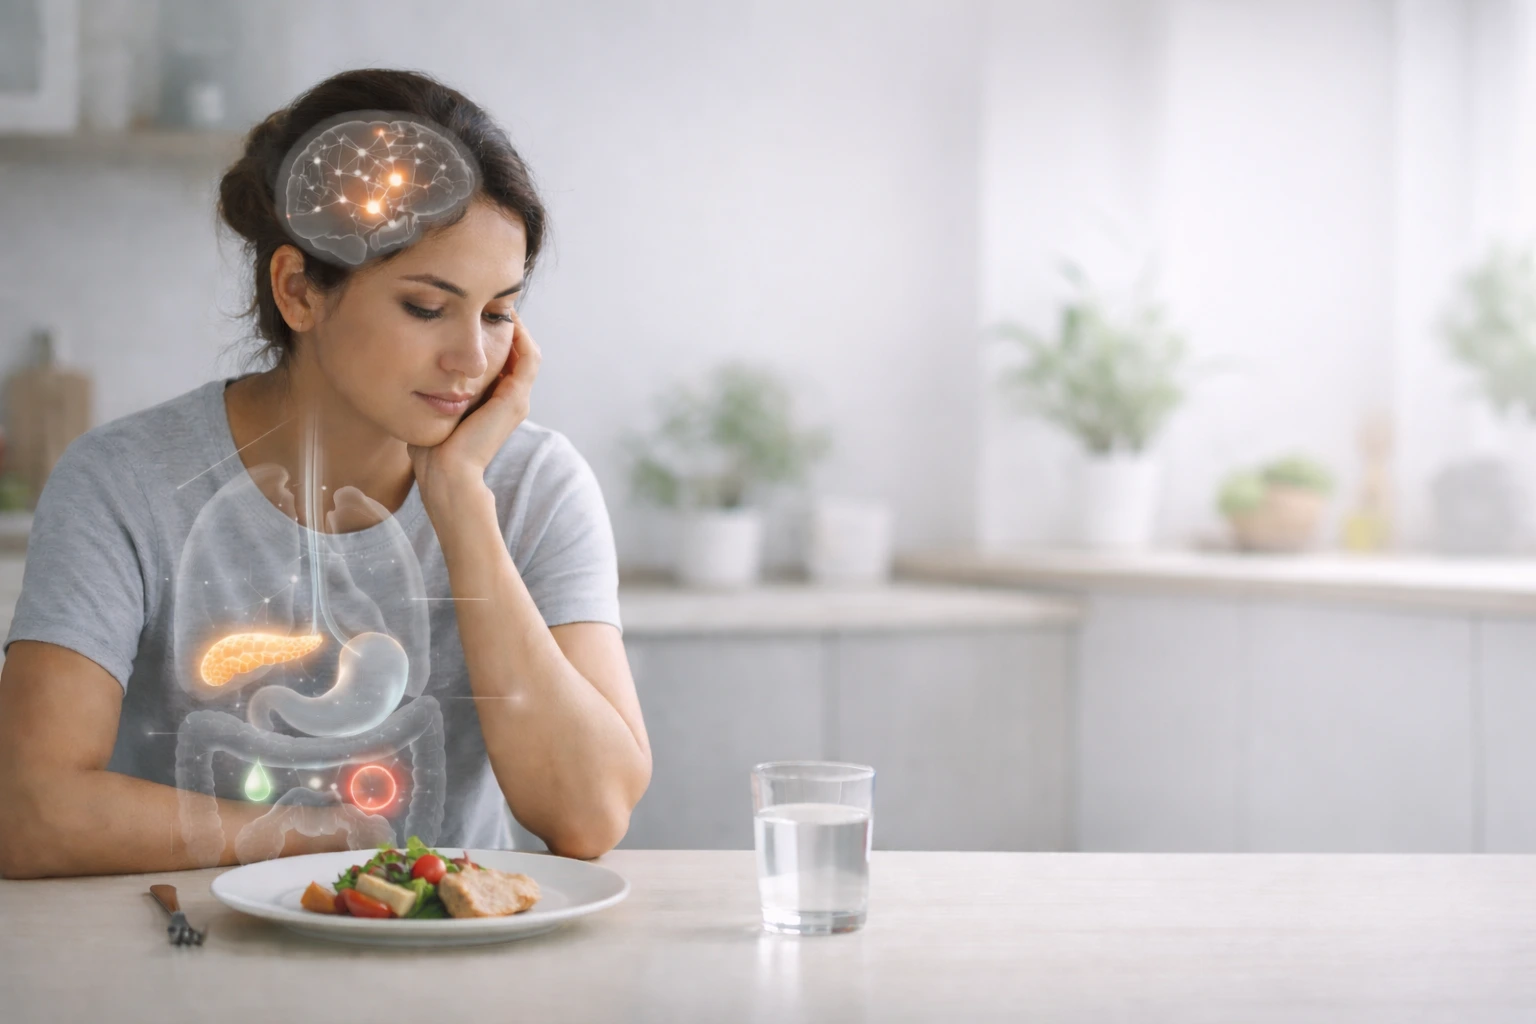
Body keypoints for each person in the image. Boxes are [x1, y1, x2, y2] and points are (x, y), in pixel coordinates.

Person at [0, 69, 651, 878]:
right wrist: (327, 839)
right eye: (425, 306)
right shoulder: (124, 483)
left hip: (458, 984)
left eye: (498, 313)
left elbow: (590, 817)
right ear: (299, 290)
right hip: (191, 965)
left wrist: (458, 501)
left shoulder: (536, 486)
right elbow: (28, 809)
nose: (473, 359)